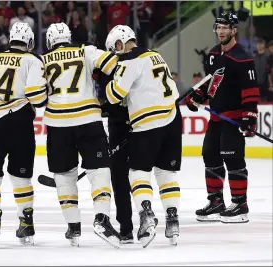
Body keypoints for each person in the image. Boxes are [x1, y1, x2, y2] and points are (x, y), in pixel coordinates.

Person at [42, 22, 120, 248]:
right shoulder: (86, 50)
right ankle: (102, 219)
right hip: (88, 120)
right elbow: (113, 64)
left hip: (57, 124)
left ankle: (73, 227)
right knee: (100, 170)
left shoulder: (43, 61)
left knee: (64, 175)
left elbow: (36, 95)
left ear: (49, 41)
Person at [105, 25, 182, 248]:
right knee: (166, 172)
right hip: (172, 118)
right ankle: (172, 219)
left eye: (115, 49)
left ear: (120, 44)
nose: (115, 54)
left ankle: (146, 214)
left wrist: (110, 86)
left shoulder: (128, 61)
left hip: (147, 121)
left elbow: (115, 95)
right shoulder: (155, 55)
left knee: (138, 172)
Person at [0, 22, 48, 247]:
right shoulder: (32, 59)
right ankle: (26, 221)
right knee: (21, 176)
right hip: (20, 122)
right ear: (29, 42)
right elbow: (36, 97)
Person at [185, 13, 260, 223]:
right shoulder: (212, 54)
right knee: (210, 155)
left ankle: (240, 203)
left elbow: (250, 90)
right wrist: (197, 96)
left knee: (233, 158)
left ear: (234, 30)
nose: (221, 31)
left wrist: (250, 116)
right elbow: (211, 82)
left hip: (233, 120)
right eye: (218, 27)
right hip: (216, 119)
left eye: (225, 28)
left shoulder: (242, 57)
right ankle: (216, 201)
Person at [94, 70, 134, 244]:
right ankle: (127, 227)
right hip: (133, 127)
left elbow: (107, 103)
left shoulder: (111, 71)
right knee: (126, 179)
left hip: (131, 127)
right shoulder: (135, 64)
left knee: (126, 180)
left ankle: (127, 228)